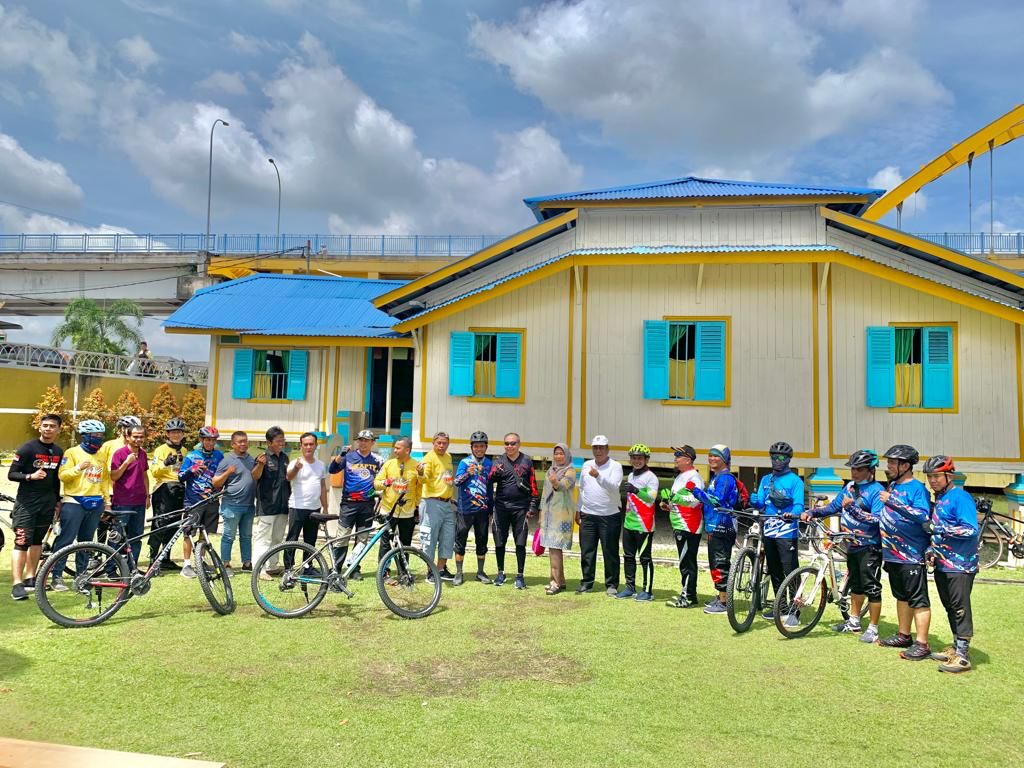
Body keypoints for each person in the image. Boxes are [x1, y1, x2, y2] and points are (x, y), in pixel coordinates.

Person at [801, 449, 884, 643]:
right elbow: (832, 507)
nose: (854, 473)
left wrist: (852, 508)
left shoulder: (877, 491)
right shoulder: (849, 488)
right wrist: (812, 512)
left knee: (871, 587)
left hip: (869, 546)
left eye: (859, 469)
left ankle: (873, 628)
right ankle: (854, 621)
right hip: (851, 544)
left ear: (870, 470)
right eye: (853, 468)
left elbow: (878, 520)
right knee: (856, 585)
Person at [923, 455, 979, 673]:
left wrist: (939, 530)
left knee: (960, 608)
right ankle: (956, 647)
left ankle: (963, 657)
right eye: (930, 477)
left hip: (961, 565)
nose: (933, 481)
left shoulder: (960, 497)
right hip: (942, 564)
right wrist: (931, 550)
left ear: (949, 475)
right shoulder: (941, 499)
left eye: (937, 476)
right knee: (949, 607)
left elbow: (970, 529)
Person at [877, 444, 932, 660]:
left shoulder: (917, 489)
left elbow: (922, 516)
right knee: (901, 595)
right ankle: (904, 634)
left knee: (918, 599)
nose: (888, 466)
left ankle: (922, 643)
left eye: (892, 463)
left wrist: (893, 501)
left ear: (905, 465)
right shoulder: (892, 486)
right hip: (892, 554)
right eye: (888, 462)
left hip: (911, 554)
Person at [8, 414, 64, 600]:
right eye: (45, 425)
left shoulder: (58, 451)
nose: (48, 429)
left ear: (58, 429)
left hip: (47, 503)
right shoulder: (27, 448)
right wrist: (29, 477)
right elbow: (12, 474)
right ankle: (17, 584)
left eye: (52, 426)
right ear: (39, 428)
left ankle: (30, 578)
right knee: (22, 541)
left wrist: (57, 501)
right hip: (27, 503)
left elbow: (56, 479)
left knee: (37, 542)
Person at [50, 419, 109, 591]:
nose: (98, 439)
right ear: (85, 436)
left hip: (95, 501)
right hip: (74, 501)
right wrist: (78, 468)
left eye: (100, 435)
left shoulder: (101, 454)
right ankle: (56, 576)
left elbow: (104, 479)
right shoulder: (72, 452)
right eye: (94, 436)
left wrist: (106, 501)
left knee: (86, 542)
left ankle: (82, 576)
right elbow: (63, 475)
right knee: (66, 540)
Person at [749, 441, 804, 619]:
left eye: (780, 457)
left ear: (788, 460)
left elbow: (799, 506)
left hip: (787, 533)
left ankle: (795, 610)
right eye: (773, 457)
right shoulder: (766, 479)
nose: (776, 461)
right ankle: (780, 607)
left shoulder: (795, 481)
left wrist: (792, 514)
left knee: (791, 571)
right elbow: (761, 504)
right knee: (774, 570)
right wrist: (754, 500)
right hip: (769, 531)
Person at [328, 429, 382, 579]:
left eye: (366, 440)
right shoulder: (349, 457)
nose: (363, 443)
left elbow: (382, 479)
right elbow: (332, 470)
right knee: (342, 537)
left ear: (372, 443)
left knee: (362, 539)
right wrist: (341, 456)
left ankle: (354, 568)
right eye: (360, 440)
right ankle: (336, 569)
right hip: (349, 503)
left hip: (367, 504)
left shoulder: (378, 460)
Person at [488, 432, 539, 589]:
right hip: (501, 508)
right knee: (499, 542)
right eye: (507, 443)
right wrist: (495, 472)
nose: (510, 446)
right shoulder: (499, 461)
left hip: (520, 509)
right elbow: (490, 479)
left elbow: (534, 487)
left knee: (520, 543)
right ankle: (500, 573)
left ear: (519, 444)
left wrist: (532, 507)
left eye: (513, 443)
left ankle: (520, 576)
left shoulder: (527, 461)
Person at [692, 444, 738, 615]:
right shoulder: (717, 477)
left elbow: (716, 501)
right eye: (710, 455)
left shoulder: (726, 479)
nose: (712, 459)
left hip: (722, 526)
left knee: (720, 562)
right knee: (715, 562)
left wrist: (696, 491)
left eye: (716, 456)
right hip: (714, 526)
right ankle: (721, 596)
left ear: (725, 459)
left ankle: (725, 602)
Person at [576, 435, 624, 596]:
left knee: (610, 551)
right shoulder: (586, 464)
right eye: (595, 448)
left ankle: (611, 584)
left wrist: (598, 476)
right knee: (587, 551)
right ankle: (587, 582)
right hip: (588, 514)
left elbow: (614, 488)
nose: (598, 451)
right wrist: (578, 509)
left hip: (609, 515)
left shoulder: (615, 466)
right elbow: (581, 488)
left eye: (601, 447)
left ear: (607, 449)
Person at [659, 445, 703, 608]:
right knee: (685, 561)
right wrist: (668, 506)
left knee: (687, 563)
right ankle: (689, 594)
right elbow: (679, 501)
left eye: (678, 455)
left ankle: (689, 597)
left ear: (688, 459)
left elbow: (695, 501)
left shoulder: (693, 477)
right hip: (681, 523)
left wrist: (673, 497)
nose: (675, 457)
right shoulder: (681, 476)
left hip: (688, 526)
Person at [178, 426, 224, 578]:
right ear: (201, 440)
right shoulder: (192, 456)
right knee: (189, 532)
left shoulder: (219, 456)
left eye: (213, 440)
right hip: (193, 500)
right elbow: (180, 477)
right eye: (208, 440)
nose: (211, 443)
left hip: (211, 499)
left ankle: (201, 560)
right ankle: (186, 564)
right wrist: (192, 469)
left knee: (205, 532)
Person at [212, 431, 258, 576]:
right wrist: (227, 473)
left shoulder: (252, 460)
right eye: (240, 441)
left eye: (245, 441)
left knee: (246, 536)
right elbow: (215, 482)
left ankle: (247, 563)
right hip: (231, 505)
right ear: (233, 444)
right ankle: (225, 564)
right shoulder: (227, 460)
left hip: (249, 505)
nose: (243, 444)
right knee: (228, 536)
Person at [373, 436, 421, 573]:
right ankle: (383, 572)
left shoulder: (416, 465)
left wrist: (416, 505)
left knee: (405, 544)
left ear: (407, 450)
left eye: (398, 448)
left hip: (407, 511)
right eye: (395, 448)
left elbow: (420, 487)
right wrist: (385, 483)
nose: (395, 451)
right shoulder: (388, 464)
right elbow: (376, 484)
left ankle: (403, 571)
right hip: (388, 510)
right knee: (385, 543)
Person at [619, 443, 660, 601]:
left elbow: (651, 498)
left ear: (646, 459)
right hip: (629, 522)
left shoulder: (651, 477)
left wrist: (636, 490)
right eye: (634, 458)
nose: (637, 461)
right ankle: (630, 587)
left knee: (645, 558)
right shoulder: (630, 475)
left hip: (645, 524)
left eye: (640, 458)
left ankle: (647, 590)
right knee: (628, 556)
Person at [453, 431, 494, 586]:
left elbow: (490, 488)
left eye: (482, 446)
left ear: (486, 447)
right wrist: (468, 474)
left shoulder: (489, 464)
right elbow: (456, 482)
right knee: (460, 540)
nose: (479, 449)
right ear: (471, 448)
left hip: (482, 511)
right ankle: (459, 573)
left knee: (482, 541)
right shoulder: (464, 463)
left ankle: (480, 572)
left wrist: (491, 508)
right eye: (476, 446)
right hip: (465, 509)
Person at [284, 432, 328, 572]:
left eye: (311, 444)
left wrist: (325, 507)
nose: (308, 447)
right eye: (305, 444)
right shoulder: (295, 463)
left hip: (314, 508)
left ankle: (307, 566)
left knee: (310, 540)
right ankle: (288, 568)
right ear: (301, 446)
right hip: (297, 506)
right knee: (292, 539)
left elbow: (322, 486)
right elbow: (288, 477)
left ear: (316, 446)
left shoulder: (320, 465)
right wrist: (296, 468)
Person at [148, 418, 188, 570]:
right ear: (167, 434)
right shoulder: (161, 450)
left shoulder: (184, 451)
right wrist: (165, 464)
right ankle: (153, 560)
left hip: (179, 488)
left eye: (178, 432)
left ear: (183, 434)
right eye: (173, 433)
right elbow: (154, 471)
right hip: (164, 488)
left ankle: (166, 558)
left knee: (174, 524)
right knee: (160, 524)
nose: (176, 435)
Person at [418, 432, 457, 582]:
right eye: (438, 443)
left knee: (448, 537)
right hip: (431, 503)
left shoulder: (448, 457)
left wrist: (450, 495)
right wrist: (421, 472)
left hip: (447, 503)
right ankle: (430, 571)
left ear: (448, 444)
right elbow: (424, 478)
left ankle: (441, 569)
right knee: (430, 538)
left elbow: (445, 479)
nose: (441, 445)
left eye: (444, 443)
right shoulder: (429, 457)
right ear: (433, 443)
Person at [97, 415, 142, 547]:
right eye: (128, 427)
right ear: (121, 429)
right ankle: (97, 555)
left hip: (125, 493)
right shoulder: (109, 445)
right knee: (103, 525)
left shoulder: (138, 448)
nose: (130, 430)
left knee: (121, 529)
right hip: (108, 490)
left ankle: (119, 558)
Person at [109, 424, 150, 568]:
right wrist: (126, 462)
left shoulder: (143, 454)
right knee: (117, 536)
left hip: (139, 501)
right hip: (122, 501)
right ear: (128, 437)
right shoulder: (119, 453)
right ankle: (111, 568)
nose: (138, 439)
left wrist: (147, 495)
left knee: (137, 536)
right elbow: (114, 476)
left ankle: (132, 567)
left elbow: (145, 475)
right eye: (135, 436)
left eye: (141, 437)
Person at [539, 442, 576, 595]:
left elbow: (562, 486)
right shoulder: (551, 470)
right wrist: (541, 513)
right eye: (556, 453)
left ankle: (555, 583)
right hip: (549, 514)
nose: (558, 456)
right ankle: (560, 580)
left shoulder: (571, 471)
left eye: (561, 453)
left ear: (566, 455)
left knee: (555, 548)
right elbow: (544, 494)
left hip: (561, 515)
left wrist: (555, 481)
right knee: (553, 548)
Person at [253, 426, 290, 579]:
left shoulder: (285, 458)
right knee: (263, 538)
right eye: (278, 440)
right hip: (267, 505)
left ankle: (272, 566)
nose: (281, 443)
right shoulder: (262, 457)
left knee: (277, 537)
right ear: (269, 442)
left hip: (283, 505)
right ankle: (259, 569)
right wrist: (260, 465)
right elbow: (254, 476)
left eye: (283, 440)